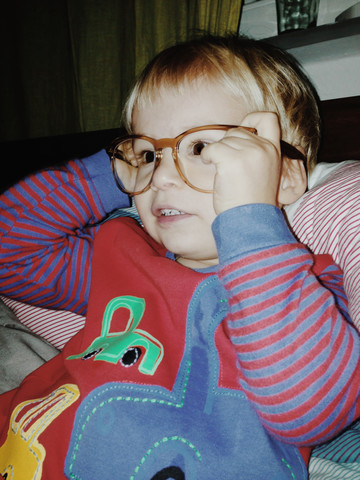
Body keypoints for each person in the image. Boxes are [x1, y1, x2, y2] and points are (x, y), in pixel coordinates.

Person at [0, 34, 359, 479]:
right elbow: (9, 251)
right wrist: (113, 170)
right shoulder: (121, 255)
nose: (163, 175)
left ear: (284, 177)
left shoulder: (306, 292)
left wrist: (251, 219)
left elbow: (310, 411)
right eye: (149, 153)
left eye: (203, 148)